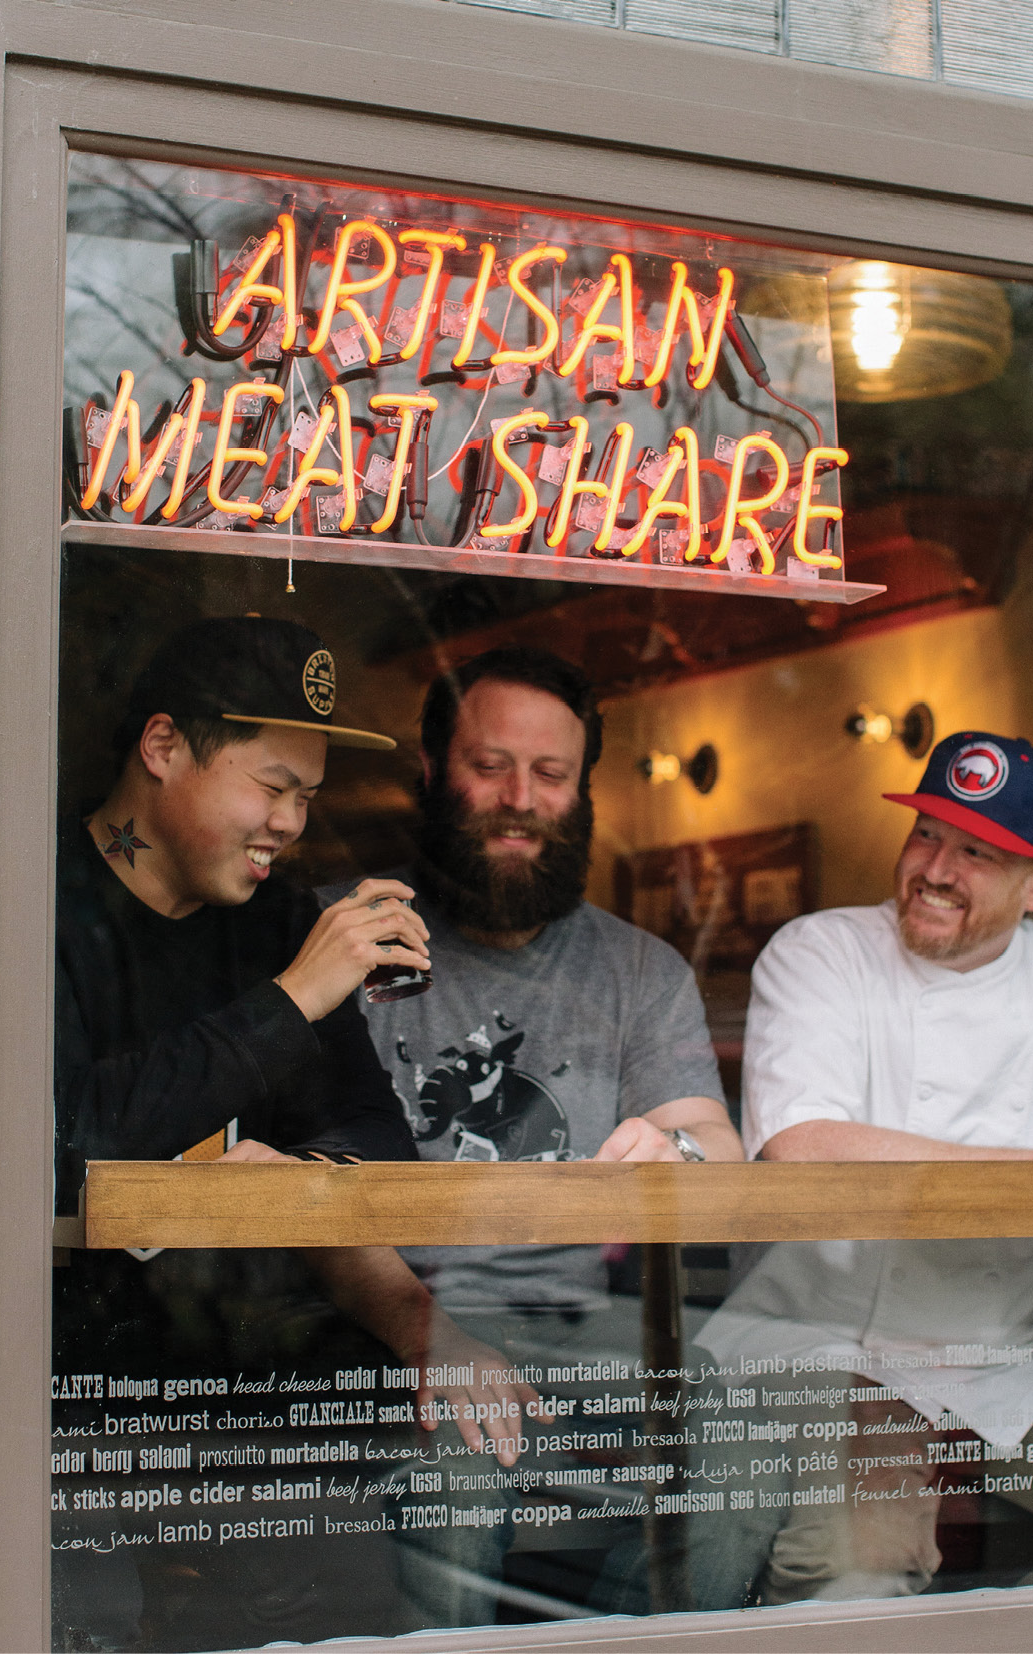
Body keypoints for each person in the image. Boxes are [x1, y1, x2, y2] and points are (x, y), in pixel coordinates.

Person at [685, 730, 1033, 1607]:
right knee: (855, 1576)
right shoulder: (822, 951)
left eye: (977, 853)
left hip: (1004, 1345)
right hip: (827, 1339)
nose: (934, 869)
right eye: (927, 833)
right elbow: (804, 1145)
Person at [329, 646, 742, 1616]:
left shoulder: (638, 970)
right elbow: (302, 1192)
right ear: (432, 769)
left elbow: (712, 1140)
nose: (519, 799)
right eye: (490, 766)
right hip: (394, 1324)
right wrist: (431, 1335)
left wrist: (676, 1154)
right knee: (457, 1486)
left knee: (745, 1437)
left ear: (583, 788)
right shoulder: (341, 939)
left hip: (582, 1330)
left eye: (550, 773)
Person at [52, 614, 439, 1648]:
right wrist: (293, 998)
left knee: (359, 1599)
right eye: (273, 786)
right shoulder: (38, 899)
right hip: (60, 1408)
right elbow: (64, 1142)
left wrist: (294, 1175)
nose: (290, 824)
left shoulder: (277, 922)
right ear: (163, 746)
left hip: (250, 1406)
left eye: (307, 796)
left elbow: (380, 1142)